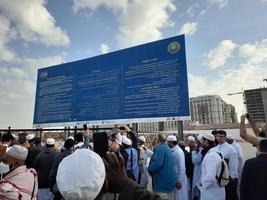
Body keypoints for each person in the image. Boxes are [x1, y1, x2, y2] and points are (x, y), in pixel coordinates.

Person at [148, 133, 176, 199]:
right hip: (168, 182)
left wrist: (149, 168)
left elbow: (157, 164)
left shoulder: (160, 149)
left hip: (161, 184)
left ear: (158, 140)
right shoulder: (167, 148)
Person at [198, 133, 225, 200]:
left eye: (202, 140)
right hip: (215, 191)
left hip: (211, 193)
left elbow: (210, 176)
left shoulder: (211, 156)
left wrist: (201, 184)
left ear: (206, 141)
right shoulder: (217, 153)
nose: (200, 142)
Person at [214, 130, 238, 200]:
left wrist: (231, 177)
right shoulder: (216, 148)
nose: (219, 138)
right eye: (218, 136)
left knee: (230, 196)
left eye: (221, 136)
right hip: (220, 177)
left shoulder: (231, 149)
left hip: (229, 177)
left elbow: (234, 164)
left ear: (225, 137)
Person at [167, 135, 189, 200]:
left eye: (168, 142)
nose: (167, 144)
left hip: (180, 180)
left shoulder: (179, 152)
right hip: (175, 178)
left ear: (171, 143)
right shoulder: (173, 150)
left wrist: (179, 181)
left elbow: (182, 168)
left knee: (181, 197)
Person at [191, 134, 204, 200]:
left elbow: (195, 161)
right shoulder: (200, 150)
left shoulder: (202, 150)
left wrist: (194, 152)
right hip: (198, 174)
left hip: (200, 175)